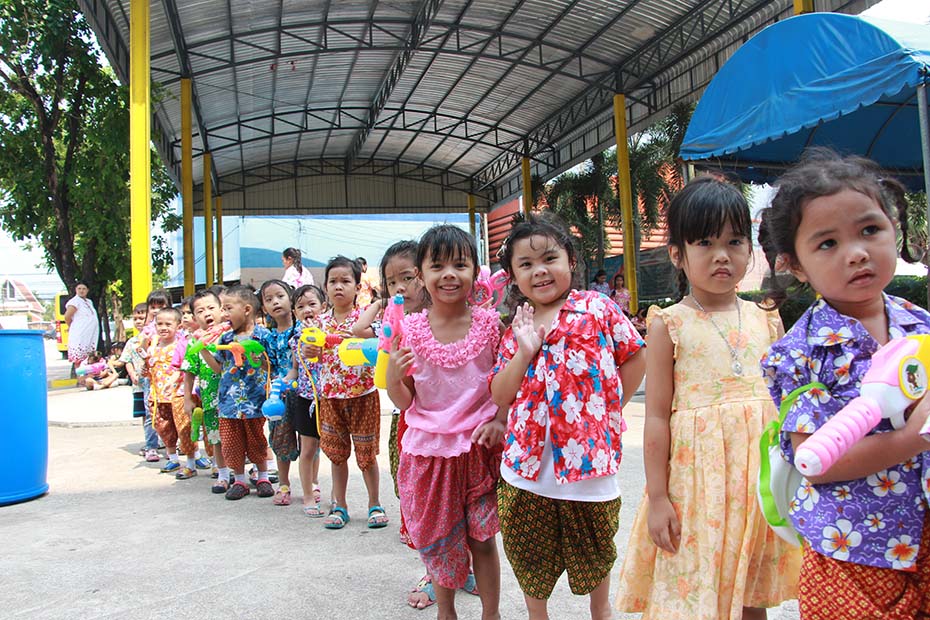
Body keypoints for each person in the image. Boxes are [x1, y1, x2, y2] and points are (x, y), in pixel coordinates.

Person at [615, 176, 800, 620]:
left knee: (751, 587)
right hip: (698, 485)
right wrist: (658, 497)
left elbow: (785, 401)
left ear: (749, 249)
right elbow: (656, 417)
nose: (722, 255)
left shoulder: (765, 318)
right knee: (698, 588)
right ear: (677, 254)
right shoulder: (669, 324)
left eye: (734, 241)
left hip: (757, 482)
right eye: (705, 242)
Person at [758, 150, 930, 619]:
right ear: (795, 264)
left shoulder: (920, 325)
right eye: (828, 243)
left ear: (894, 229)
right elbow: (816, 462)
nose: (856, 252)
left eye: (870, 230)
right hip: (854, 553)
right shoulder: (799, 354)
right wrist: (912, 439)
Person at [488, 213, 645, 620]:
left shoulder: (597, 308)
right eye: (526, 264)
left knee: (596, 549)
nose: (539, 271)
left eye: (549, 258)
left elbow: (634, 355)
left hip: (590, 467)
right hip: (526, 470)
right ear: (513, 277)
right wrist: (524, 351)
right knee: (528, 554)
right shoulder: (517, 326)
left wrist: (609, 409)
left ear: (570, 261)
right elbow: (500, 394)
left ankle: (601, 611)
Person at [385, 226, 502, 620]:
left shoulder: (490, 326)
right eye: (437, 266)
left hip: (480, 450)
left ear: (475, 271)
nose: (449, 274)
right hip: (429, 454)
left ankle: (491, 614)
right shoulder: (410, 330)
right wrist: (392, 378)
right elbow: (405, 401)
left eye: (460, 264)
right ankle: (446, 612)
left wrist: (501, 419)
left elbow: (504, 384)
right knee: (439, 543)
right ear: (421, 275)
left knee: (483, 539)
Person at [309, 255, 386, 529]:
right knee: (336, 454)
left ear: (358, 287)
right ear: (325, 287)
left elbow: (378, 347)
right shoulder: (319, 323)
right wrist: (310, 351)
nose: (338, 286)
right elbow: (313, 357)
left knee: (367, 455)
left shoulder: (363, 320)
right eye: (333, 281)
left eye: (345, 281)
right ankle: (339, 505)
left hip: (363, 395)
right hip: (331, 397)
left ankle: (375, 504)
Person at [200, 285, 275, 501]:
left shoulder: (263, 336)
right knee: (232, 443)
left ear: (247, 309)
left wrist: (256, 357)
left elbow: (270, 366)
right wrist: (203, 350)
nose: (223, 314)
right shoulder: (225, 339)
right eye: (222, 309)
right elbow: (218, 368)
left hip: (254, 400)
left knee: (256, 440)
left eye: (228, 308)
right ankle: (239, 480)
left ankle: (263, 477)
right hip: (229, 402)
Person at [144, 307, 207, 479]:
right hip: (157, 396)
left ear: (178, 326)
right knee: (163, 428)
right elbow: (148, 370)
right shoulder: (152, 347)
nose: (163, 327)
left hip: (178, 395)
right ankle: (172, 458)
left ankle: (195, 457)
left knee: (185, 428)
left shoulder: (181, 345)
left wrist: (175, 383)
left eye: (168, 324)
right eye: (159, 324)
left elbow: (185, 369)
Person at [284, 284, 327, 516]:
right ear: (294, 312)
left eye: (312, 304)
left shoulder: (330, 332)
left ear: (323, 307)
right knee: (307, 448)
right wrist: (285, 380)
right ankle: (308, 495)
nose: (307, 310)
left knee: (330, 449)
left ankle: (332, 494)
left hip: (329, 398)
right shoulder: (296, 339)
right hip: (306, 398)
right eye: (300, 307)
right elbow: (295, 367)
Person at [182, 289, 231, 494]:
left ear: (221, 310)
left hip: (235, 397)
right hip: (210, 398)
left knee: (241, 433)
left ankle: (257, 470)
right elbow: (189, 371)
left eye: (211, 308)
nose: (207, 313)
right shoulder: (194, 342)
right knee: (216, 437)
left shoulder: (230, 334)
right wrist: (187, 399)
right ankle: (223, 475)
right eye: (200, 311)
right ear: (194, 318)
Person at [259, 279, 298, 505]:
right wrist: (258, 360)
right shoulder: (268, 337)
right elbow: (269, 366)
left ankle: (313, 484)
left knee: (309, 440)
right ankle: (283, 484)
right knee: (280, 438)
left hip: (303, 391)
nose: (275, 302)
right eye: (269, 299)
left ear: (291, 298)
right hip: (277, 397)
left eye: (280, 296)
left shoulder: (301, 329)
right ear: (264, 308)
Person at [121, 303, 160, 461]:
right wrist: (132, 375)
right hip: (140, 383)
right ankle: (151, 443)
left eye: (142, 317)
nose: (139, 321)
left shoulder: (161, 337)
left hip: (158, 381)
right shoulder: (132, 341)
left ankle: (164, 441)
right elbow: (127, 360)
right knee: (146, 413)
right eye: (135, 318)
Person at [64, 281, 99, 369]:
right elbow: (67, 317)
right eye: (79, 288)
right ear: (76, 290)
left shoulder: (89, 302)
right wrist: (72, 327)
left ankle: (87, 376)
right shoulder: (74, 301)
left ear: (87, 290)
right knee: (79, 359)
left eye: (84, 289)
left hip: (89, 334)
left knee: (89, 358)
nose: (81, 291)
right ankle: (80, 376)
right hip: (80, 334)